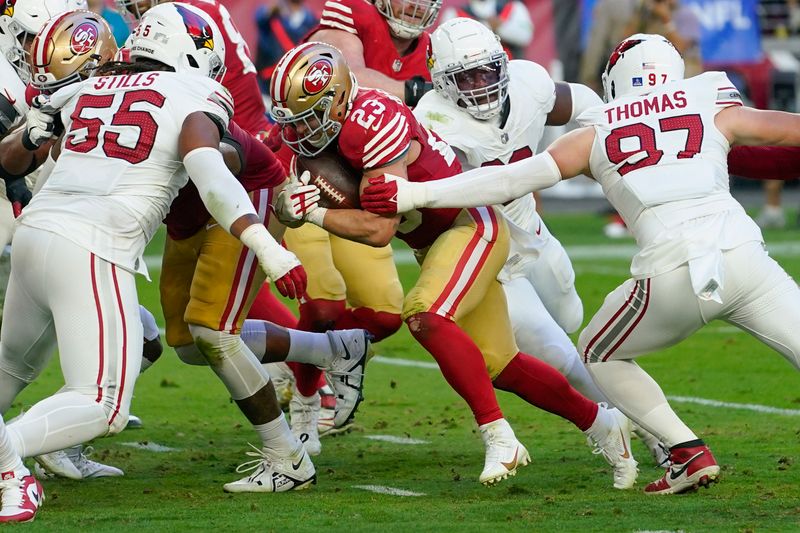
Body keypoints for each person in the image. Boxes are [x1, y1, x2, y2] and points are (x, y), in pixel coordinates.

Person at [361, 33, 800, 495]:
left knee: (596, 350)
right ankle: (652, 439)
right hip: (746, 255)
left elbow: (512, 178)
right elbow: (775, 139)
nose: (480, 84)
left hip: (669, 269)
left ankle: (684, 450)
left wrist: (413, 193)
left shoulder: (598, 127)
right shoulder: (708, 98)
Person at [270, 41, 638, 489]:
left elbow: (379, 230)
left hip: (470, 226)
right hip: (436, 243)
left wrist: (312, 213)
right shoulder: (308, 139)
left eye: (310, 117)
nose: (301, 131)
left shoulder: (372, 123)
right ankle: (603, 424)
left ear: (342, 98)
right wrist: (283, 221)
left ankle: (499, 436)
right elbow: (273, 181)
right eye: (294, 120)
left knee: (424, 313)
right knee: (504, 365)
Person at [0, 3, 310, 520]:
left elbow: (12, 157)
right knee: (102, 403)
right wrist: (269, 248)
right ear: (190, 51)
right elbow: (210, 173)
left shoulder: (89, 85)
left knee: (11, 368)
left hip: (36, 235)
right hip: (95, 244)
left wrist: (32, 129)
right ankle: (10, 463)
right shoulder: (195, 93)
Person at [413, 18, 667, 466]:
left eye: (488, 71)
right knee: (564, 356)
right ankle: (653, 434)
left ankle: (637, 422)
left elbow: (585, 102)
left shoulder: (529, 83)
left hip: (535, 235)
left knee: (577, 323)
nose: (481, 85)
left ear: (503, 65)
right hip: (491, 256)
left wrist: (607, 146)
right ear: (443, 83)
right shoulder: (434, 119)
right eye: (466, 77)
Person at [254, 0, 318, 94]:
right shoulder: (271, 15)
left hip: (297, 87)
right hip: (268, 86)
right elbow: (259, 18)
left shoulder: (312, 21)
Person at [440, 0, 533, 59]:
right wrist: (485, 27)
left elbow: (525, 37)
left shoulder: (514, 6)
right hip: (471, 72)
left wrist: (501, 27)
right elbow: (446, 46)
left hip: (511, 67)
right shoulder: (454, 13)